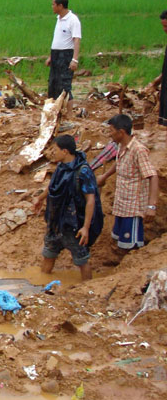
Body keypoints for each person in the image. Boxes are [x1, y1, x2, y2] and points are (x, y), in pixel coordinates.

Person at [33, 135, 100, 281]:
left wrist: (86, 227)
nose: (52, 153)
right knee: (48, 254)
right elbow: (52, 186)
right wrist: (40, 198)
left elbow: (90, 200)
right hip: (56, 222)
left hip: (74, 224)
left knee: (81, 260)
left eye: (54, 149)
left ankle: (87, 289)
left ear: (64, 151)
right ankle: (41, 283)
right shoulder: (60, 167)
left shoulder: (83, 172)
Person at [97, 114, 159, 252]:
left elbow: (153, 176)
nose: (109, 134)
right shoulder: (121, 146)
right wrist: (105, 176)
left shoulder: (138, 150)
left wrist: (151, 206)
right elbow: (118, 163)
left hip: (133, 208)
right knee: (121, 240)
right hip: (122, 205)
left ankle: (132, 266)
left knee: (132, 245)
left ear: (121, 132)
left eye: (112, 131)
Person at [46, 0, 81, 111]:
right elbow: (57, 39)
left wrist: (74, 59)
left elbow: (76, 39)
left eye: (53, 4)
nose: (52, 6)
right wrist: (51, 56)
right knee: (53, 83)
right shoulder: (59, 19)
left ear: (60, 6)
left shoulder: (73, 20)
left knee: (65, 85)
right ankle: (55, 111)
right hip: (56, 54)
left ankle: (69, 114)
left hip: (66, 55)